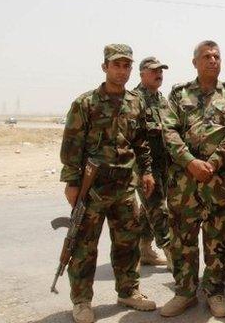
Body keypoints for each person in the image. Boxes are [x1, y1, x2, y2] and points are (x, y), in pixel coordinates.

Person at [59, 44, 157, 323]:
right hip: (93, 188)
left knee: (127, 243)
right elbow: (71, 146)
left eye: (127, 65)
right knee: (84, 247)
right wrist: (72, 182)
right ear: (105, 67)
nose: (122, 70)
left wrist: (147, 172)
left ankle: (128, 291)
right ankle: (81, 300)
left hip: (125, 186)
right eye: (117, 65)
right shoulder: (85, 103)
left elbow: (141, 142)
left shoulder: (136, 101)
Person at [160, 40, 225, 318]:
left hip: (217, 181)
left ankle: (215, 291)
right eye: (206, 56)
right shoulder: (178, 94)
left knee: (217, 238)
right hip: (184, 183)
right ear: (195, 62)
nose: (212, 60)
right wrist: (190, 162)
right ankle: (184, 292)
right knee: (182, 239)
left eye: (217, 56)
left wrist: (213, 162)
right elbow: (168, 131)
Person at [132, 56, 172, 268]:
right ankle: (173, 255)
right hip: (143, 165)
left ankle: (144, 249)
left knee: (150, 208)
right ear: (142, 74)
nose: (159, 74)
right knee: (158, 208)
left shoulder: (161, 99)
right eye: (154, 71)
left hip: (163, 162)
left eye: (161, 70)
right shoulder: (133, 100)